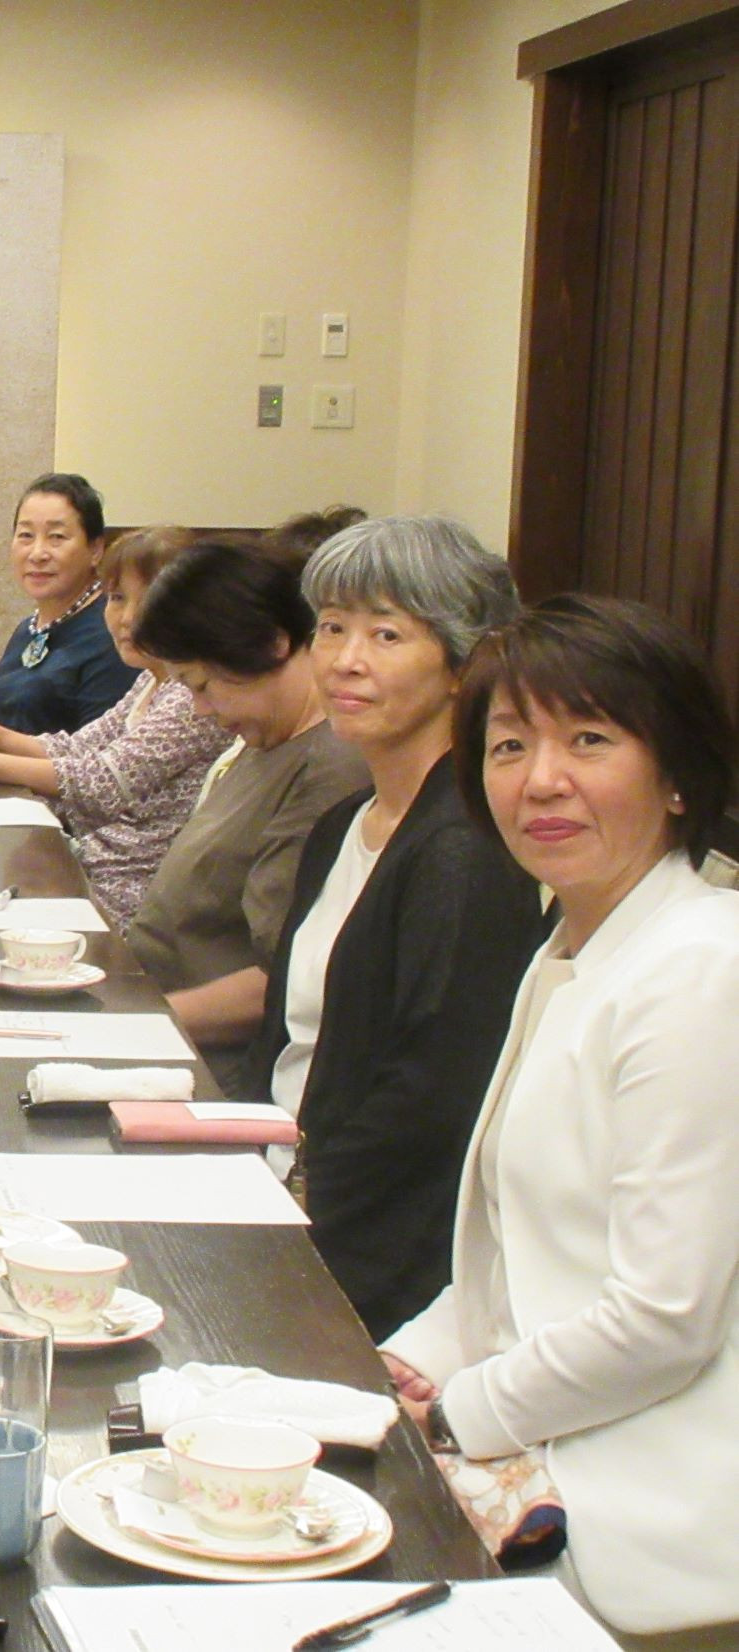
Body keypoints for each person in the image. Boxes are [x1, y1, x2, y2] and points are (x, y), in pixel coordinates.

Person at [381, 595, 739, 1636]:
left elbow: (661, 1319)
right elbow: (526, 1255)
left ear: (675, 776)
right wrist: (405, 1364)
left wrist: (454, 1413)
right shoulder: (577, 946)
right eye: (507, 746)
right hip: (553, 1456)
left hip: (656, 1526)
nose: (540, 779)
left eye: (588, 740)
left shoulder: (701, 969)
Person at [240, 518, 545, 1338]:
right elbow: (285, 1035)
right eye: (330, 628)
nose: (344, 659)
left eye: (385, 634)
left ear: (461, 665)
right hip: (271, 1181)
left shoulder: (462, 848)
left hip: (365, 1252)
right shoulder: (345, 822)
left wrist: (287, 1216)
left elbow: (430, 1101)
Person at [124, 539, 372, 1058]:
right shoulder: (264, 741)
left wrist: (136, 1022)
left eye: (201, 685)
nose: (199, 709)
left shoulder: (329, 769)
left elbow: (279, 982)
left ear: (271, 645)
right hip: (153, 1010)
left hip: (207, 1058)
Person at [0, 526, 230, 922]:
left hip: (125, 895)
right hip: (86, 863)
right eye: (117, 598)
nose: (128, 618)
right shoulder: (152, 679)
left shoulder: (190, 696)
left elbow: (102, 781)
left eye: (149, 601)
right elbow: (78, 748)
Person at [0, 474, 141, 735]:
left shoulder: (112, 632)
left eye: (56, 537)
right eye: (26, 535)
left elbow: (97, 750)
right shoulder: (29, 628)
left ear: (96, 550)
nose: (37, 554)